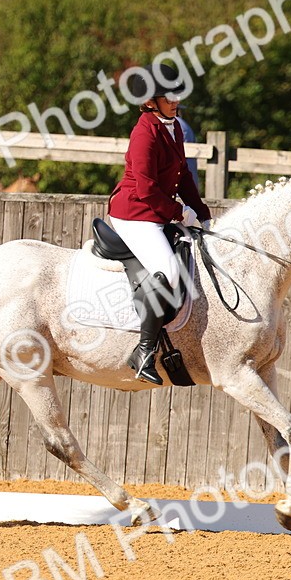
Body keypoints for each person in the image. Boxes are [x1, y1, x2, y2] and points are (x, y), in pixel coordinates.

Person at [107, 63, 212, 385]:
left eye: (177, 97)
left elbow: (182, 177)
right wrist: (181, 214)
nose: (175, 102)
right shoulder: (144, 131)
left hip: (157, 210)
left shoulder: (174, 127)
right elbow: (146, 188)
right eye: (169, 98)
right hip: (134, 213)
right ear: (151, 100)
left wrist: (202, 211)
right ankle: (143, 351)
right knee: (167, 271)